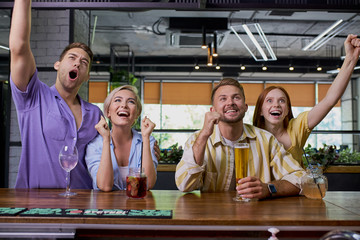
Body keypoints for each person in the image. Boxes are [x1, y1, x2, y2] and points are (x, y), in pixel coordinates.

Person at [9, 0, 102, 188]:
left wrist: (144, 146)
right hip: (36, 204)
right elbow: (19, 48)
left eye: (84, 63)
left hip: (81, 205)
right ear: (57, 65)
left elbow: (108, 152)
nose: (77, 63)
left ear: (86, 77)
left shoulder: (95, 114)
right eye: (72, 58)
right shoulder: (33, 95)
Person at [175, 78, 305, 200]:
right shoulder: (198, 140)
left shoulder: (266, 140)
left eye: (236, 98)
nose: (230, 103)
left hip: (256, 217)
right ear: (212, 110)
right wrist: (204, 136)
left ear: (245, 107)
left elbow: (300, 178)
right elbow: (184, 185)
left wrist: (269, 188)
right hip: (213, 217)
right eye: (223, 99)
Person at [253, 34, 360, 164]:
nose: (276, 104)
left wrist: (351, 58)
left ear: (287, 110)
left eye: (282, 101)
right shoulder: (250, 134)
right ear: (260, 110)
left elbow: (330, 100)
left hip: (295, 184)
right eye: (269, 100)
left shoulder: (297, 128)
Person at [85, 85, 158, 191]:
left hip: (137, 206)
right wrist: (106, 139)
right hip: (104, 206)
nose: (123, 105)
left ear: (137, 113)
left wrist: (145, 137)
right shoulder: (95, 145)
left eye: (131, 102)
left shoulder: (148, 141)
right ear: (108, 112)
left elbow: (148, 184)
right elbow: (105, 186)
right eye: (117, 100)